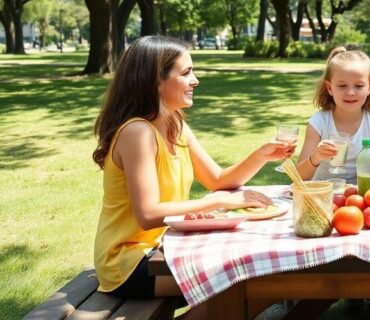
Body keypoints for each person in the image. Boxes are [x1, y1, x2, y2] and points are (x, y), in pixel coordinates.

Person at [92, 36, 294, 313]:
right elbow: (148, 213)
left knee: (268, 274)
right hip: (129, 262)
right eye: (186, 73)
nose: (195, 80)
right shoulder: (137, 133)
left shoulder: (174, 124)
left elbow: (218, 180)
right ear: (156, 81)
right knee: (242, 282)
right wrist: (220, 201)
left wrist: (262, 154)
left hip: (167, 249)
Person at [296, 46, 370, 187]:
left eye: (359, 86)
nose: (350, 92)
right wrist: (316, 157)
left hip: (361, 197)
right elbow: (299, 176)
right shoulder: (319, 122)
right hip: (324, 195)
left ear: (369, 88)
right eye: (342, 86)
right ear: (330, 88)